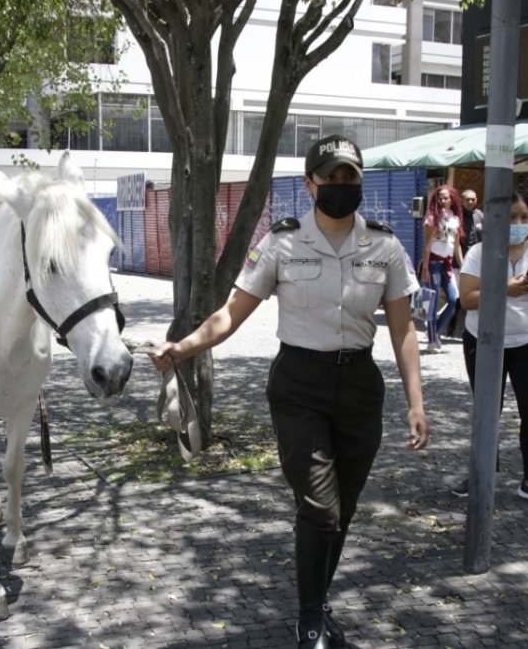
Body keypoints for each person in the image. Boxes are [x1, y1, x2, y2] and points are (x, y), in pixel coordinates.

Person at [149, 134, 429, 648]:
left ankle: (319, 603)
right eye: (331, 177)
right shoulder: (281, 242)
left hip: (360, 387)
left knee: (343, 509)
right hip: (299, 384)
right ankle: (309, 618)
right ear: (309, 185)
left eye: (350, 177)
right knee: (320, 507)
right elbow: (230, 314)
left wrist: (416, 403)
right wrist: (182, 348)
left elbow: (403, 330)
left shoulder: (385, 247)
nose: (341, 185)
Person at [450, 193, 528, 505]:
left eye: (524, 217)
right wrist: (505, 289)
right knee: (488, 411)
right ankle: (482, 473)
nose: (518, 223)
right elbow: (467, 299)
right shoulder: (479, 253)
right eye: (512, 217)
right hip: (485, 342)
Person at [418, 185, 463, 353]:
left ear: (452, 199)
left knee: (453, 300)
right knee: (433, 301)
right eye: (440, 198)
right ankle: (431, 341)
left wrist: (464, 267)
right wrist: (425, 268)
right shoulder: (431, 218)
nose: (443, 200)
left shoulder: (455, 219)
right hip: (433, 264)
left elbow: (457, 246)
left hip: (447, 265)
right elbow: (427, 245)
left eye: (446, 198)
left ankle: (434, 331)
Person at [445, 189, 483, 337]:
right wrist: (463, 265)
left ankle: (473, 329)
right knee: (457, 298)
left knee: (476, 297)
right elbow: (456, 245)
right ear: (461, 201)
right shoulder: (455, 218)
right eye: (467, 199)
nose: (471, 202)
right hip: (459, 265)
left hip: (478, 265)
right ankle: (449, 327)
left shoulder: (480, 216)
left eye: (473, 199)